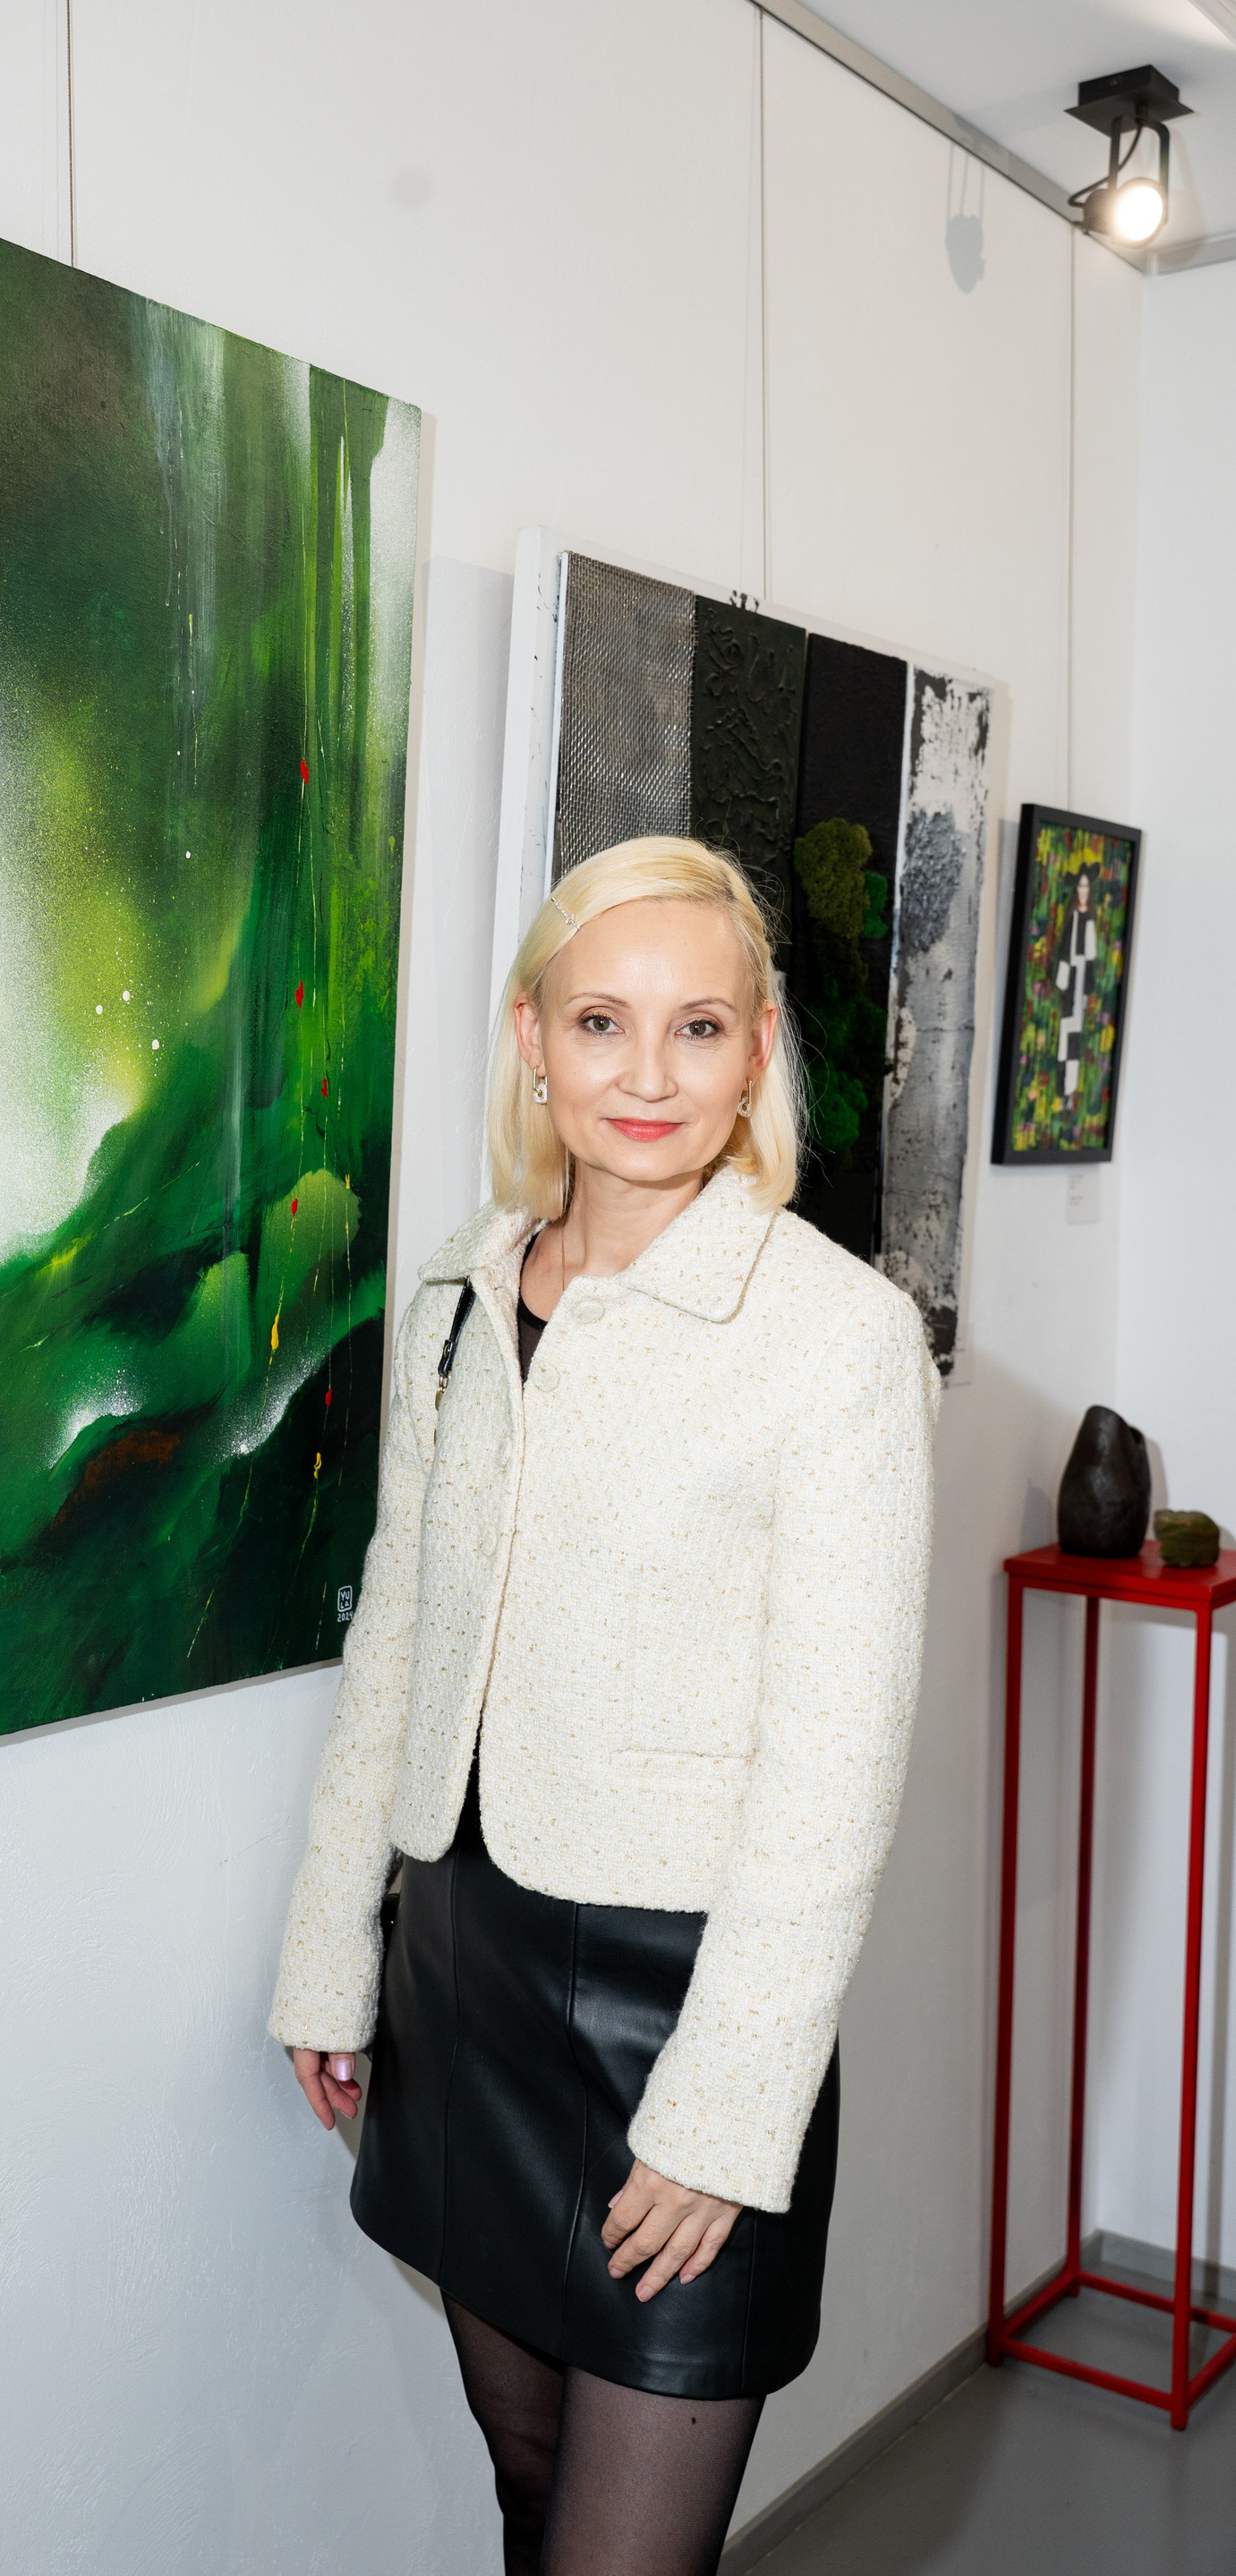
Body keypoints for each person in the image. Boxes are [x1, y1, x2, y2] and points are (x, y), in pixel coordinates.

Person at [269, 837, 940, 2575]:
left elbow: (836, 1769)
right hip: (461, 1971)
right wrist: (331, 1953)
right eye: (601, 1022)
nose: (648, 1074)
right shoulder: (455, 1301)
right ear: (532, 1036)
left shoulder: (838, 1339)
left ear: (757, 1046)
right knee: (526, 2483)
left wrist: (726, 2114)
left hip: (682, 2009)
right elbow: (399, 1640)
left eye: (698, 1027)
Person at [1053, 862, 1098, 1108]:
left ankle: (1070, 1091)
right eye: (1080, 886)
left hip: (1079, 983)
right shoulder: (1071, 920)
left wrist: (1086, 991)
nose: (1083, 890)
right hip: (1068, 981)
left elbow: (1089, 959)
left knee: (1073, 1039)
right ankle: (1061, 1091)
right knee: (1064, 1036)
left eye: (1086, 886)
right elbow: (1064, 952)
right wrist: (1063, 980)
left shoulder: (1089, 921)